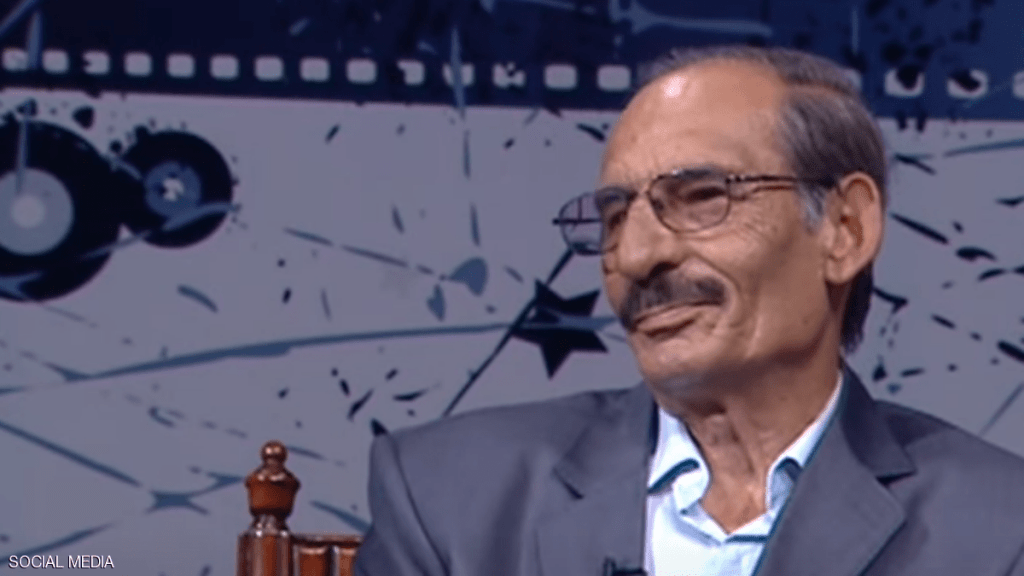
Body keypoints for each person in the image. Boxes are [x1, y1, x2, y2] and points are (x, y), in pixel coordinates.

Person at [352, 45, 1024, 576]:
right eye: (616, 216)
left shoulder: (998, 531)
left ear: (844, 229)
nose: (636, 255)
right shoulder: (448, 500)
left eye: (703, 197)